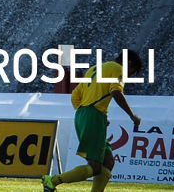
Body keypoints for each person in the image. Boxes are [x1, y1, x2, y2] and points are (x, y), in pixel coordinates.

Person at [40, 51, 144, 192]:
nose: (129, 75)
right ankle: (52, 180)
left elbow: (75, 96)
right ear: (129, 63)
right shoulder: (118, 69)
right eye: (131, 72)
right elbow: (116, 92)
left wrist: (89, 113)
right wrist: (132, 116)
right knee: (95, 166)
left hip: (85, 114)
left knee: (108, 162)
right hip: (93, 116)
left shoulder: (94, 69)